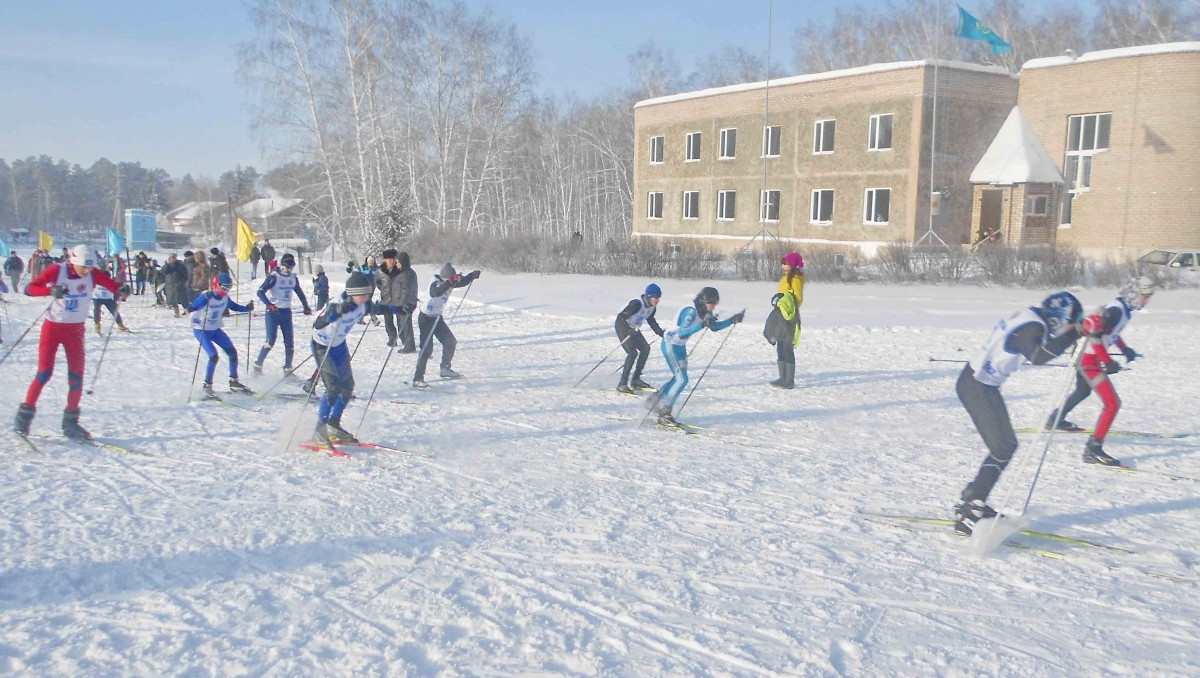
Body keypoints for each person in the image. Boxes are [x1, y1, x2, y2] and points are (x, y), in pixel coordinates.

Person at [954, 291, 1084, 536]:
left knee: (1006, 446)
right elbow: (1038, 356)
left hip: (979, 384)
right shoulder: (1032, 326)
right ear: (1060, 316)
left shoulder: (1032, 317)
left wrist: (1077, 332)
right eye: (1068, 323)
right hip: (977, 386)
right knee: (1003, 447)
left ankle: (973, 497)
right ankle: (969, 511)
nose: (1064, 329)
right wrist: (1076, 333)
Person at [14, 245, 121, 440]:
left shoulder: (93, 274)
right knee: (44, 373)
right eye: (83, 267)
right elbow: (29, 289)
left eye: (90, 267)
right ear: (74, 262)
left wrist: (122, 289)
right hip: (53, 329)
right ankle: (23, 418)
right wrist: (50, 291)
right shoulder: (58, 270)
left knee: (76, 377)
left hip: (76, 330)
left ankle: (71, 423)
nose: (87, 271)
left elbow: (114, 287)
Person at [1048, 276, 1155, 466]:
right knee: (1112, 403)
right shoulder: (1115, 310)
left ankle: (1055, 419)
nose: (1146, 300)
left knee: (1083, 391)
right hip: (1088, 359)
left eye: (1148, 296)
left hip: (1086, 355)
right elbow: (1095, 334)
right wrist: (1108, 361)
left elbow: (1111, 333)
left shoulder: (1122, 309)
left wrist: (1124, 349)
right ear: (1134, 293)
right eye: (1144, 296)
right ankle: (1093, 450)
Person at [308, 271, 386, 446]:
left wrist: (401, 307)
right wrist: (335, 313)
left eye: (368, 294)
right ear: (353, 293)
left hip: (339, 346)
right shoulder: (337, 303)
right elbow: (318, 323)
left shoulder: (364, 305)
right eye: (363, 294)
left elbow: (379, 308)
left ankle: (333, 425)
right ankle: (319, 432)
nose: (366, 297)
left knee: (347, 386)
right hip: (322, 346)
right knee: (333, 388)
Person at [647, 287, 744, 425]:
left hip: (680, 346)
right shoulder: (691, 311)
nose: (714, 306)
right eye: (712, 303)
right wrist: (702, 325)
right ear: (704, 301)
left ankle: (654, 400)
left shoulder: (704, 310)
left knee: (678, 379)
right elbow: (682, 332)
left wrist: (732, 320)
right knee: (681, 380)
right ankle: (664, 413)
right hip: (671, 344)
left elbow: (714, 327)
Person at [411, 263, 480, 389]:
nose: (452, 283)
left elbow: (462, 281)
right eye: (450, 280)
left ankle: (445, 368)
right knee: (427, 349)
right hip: (425, 318)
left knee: (450, 342)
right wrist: (450, 281)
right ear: (445, 277)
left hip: (437, 318)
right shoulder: (435, 282)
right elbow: (436, 292)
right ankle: (417, 379)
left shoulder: (449, 281)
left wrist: (472, 275)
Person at [191, 272, 254, 399]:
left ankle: (234, 381)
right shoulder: (206, 296)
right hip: (201, 330)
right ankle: (207, 386)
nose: (226, 291)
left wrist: (246, 308)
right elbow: (192, 307)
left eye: (228, 288)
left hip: (215, 329)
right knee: (213, 356)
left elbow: (233, 306)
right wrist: (204, 299)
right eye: (224, 288)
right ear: (216, 285)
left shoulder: (224, 298)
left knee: (232, 352)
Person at [254, 252, 312, 374]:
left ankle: (288, 368)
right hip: (273, 313)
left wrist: (306, 306)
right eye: (287, 267)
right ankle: (258, 365)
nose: (289, 269)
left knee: (290, 342)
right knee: (271, 341)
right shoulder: (274, 276)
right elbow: (260, 291)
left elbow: (299, 292)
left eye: (291, 267)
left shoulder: (292, 278)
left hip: (286, 312)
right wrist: (269, 304)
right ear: (282, 265)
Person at [614, 283, 665, 394]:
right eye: (656, 298)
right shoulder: (637, 304)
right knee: (632, 353)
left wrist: (660, 332)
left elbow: (651, 320)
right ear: (649, 296)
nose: (658, 301)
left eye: (658, 298)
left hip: (633, 328)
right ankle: (622, 384)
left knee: (645, 349)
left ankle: (636, 380)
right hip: (622, 326)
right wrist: (627, 330)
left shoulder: (652, 307)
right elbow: (621, 317)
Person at [766, 252, 805, 389]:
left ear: (792, 265)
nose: (783, 266)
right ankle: (782, 377)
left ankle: (789, 380)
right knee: (780, 345)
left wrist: (787, 306)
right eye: (782, 263)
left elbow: (797, 298)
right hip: (780, 314)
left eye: (786, 263)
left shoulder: (795, 279)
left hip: (789, 315)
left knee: (788, 346)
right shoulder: (785, 277)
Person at [375, 249, 407, 347]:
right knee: (388, 320)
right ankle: (392, 338)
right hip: (386, 299)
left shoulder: (400, 268)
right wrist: (384, 291)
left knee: (401, 320)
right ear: (385, 260)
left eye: (393, 259)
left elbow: (406, 281)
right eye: (389, 259)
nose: (392, 261)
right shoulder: (380, 270)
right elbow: (378, 282)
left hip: (398, 299)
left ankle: (404, 339)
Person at [395, 251, 418, 352]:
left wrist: (403, 304)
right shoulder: (406, 272)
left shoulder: (406, 274)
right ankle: (406, 342)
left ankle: (410, 346)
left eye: (398, 262)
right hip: (405, 302)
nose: (396, 264)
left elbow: (407, 291)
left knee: (406, 324)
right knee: (402, 323)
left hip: (407, 304)